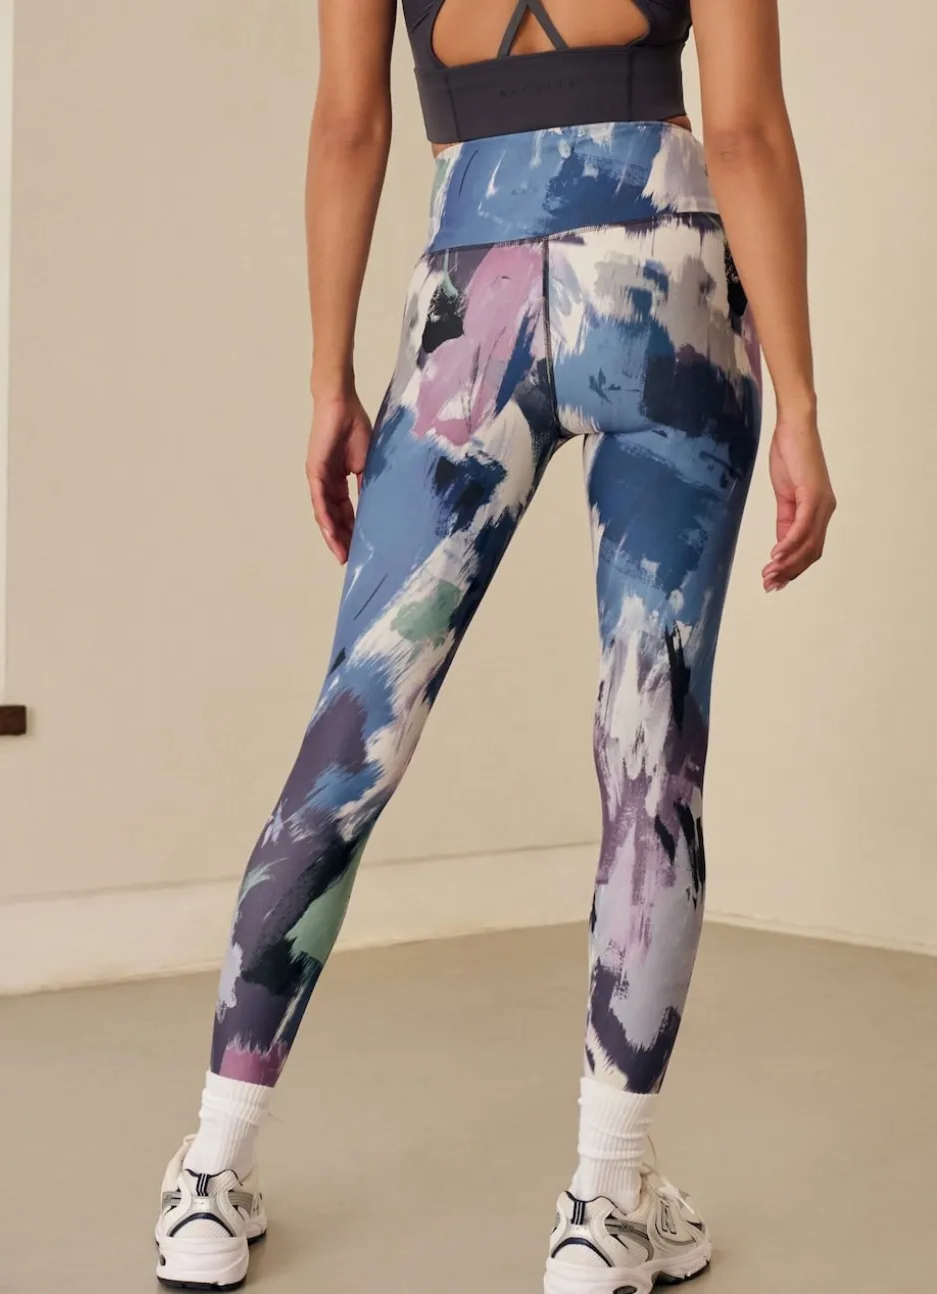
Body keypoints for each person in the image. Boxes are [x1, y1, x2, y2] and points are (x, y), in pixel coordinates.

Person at [155, 0, 836, 1289]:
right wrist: (799, 402)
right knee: (651, 743)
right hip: (665, 286)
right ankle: (605, 1202)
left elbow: (349, 124)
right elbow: (744, 132)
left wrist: (328, 381)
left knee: (357, 724)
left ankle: (210, 1170)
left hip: (474, 294)